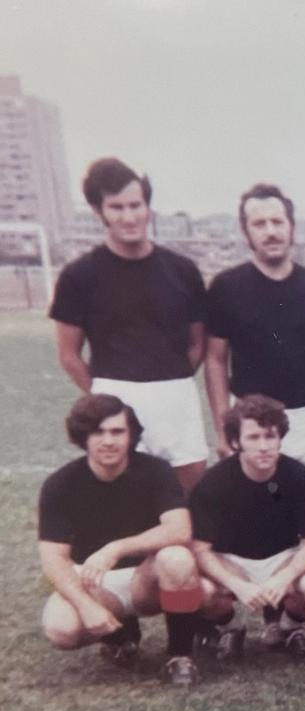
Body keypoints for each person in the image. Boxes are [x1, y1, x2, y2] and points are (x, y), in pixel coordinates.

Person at [50, 157, 208, 492]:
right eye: (117, 207)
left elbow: (198, 343)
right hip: (116, 395)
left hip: (176, 394)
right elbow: (69, 355)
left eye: (136, 205)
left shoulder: (183, 271)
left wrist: (171, 378)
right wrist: (106, 397)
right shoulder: (79, 276)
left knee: (189, 497)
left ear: (148, 207)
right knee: (125, 500)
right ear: (99, 211)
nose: (129, 216)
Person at [38, 394, 202, 686]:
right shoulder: (60, 484)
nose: (108, 441)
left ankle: (180, 655)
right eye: (98, 432)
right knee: (61, 629)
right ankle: (120, 635)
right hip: (95, 581)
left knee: (178, 558)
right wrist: (87, 606)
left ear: (131, 435)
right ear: (82, 436)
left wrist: (116, 548)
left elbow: (180, 530)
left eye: (117, 431)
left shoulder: (156, 470)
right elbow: (53, 559)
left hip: (147, 577)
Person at [204, 183, 305, 471]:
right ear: (245, 231)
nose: (270, 231)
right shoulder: (226, 287)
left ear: (292, 227)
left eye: (277, 221)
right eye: (259, 224)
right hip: (251, 423)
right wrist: (224, 426)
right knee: (257, 510)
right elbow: (214, 360)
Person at [191, 395, 305, 659]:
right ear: (235, 441)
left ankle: (289, 626)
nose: (264, 446)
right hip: (232, 560)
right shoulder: (214, 483)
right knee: (200, 591)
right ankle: (230, 627)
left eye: (270, 436)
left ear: (280, 438)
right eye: (253, 438)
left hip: (280, 559)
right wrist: (235, 583)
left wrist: (282, 578)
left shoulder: (298, 477)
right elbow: (200, 550)